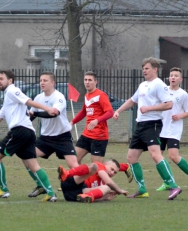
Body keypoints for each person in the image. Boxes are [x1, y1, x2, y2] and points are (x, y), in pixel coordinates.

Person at [0, 70, 58, 202]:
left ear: (10, 80)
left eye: (1, 78)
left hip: (19, 131)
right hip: (28, 132)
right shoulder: (8, 98)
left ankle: (3, 190)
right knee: (31, 164)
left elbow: (28, 101)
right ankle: (50, 193)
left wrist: (47, 109)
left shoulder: (12, 91)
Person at [113, 57, 182, 200]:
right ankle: (142, 189)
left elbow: (169, 104)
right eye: (143, 68)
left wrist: (149, 108)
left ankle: (173, 185)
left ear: (155, 69)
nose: (144, 70)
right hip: (140, 125)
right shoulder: (143, 85)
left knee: (155, 154)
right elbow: (132, 100)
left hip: (153, 124)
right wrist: (118, 111)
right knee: (131, 157)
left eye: (147, 68)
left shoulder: (158, 84)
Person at [70, 71, 133, 183]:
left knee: (97, 168)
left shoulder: (101, 95)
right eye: (85, 80)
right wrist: (72, 122)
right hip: (86, 135)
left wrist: (96, 120)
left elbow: (109, 112)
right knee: (74, 160)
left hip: (99, 136)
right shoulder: (87, 95)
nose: (87, 82)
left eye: (90, 80)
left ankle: (123, 168)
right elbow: (84, 112)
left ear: (96, 82)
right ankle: (77, 183)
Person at [27, 71, 79, 198]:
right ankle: (41, 186)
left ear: (52, 83)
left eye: (45, 80)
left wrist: (36, 114)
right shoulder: (38, 98)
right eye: (41, 80)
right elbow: (31, 116)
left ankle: (84, 187)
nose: (42, 83)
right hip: (45, 138)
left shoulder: (58, 97)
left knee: (73, 165)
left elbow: (53, 113)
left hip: (62, 137)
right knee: (27, 156)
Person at [157, 67, 188, 191]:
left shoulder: (183, 94)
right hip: (160, 128)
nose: (173, 77)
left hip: (173, 129)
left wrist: (180, 115)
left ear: (180, 79)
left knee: (174, 156)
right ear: (168, 78)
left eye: (176, 75)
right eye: (171, 75)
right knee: (158, 156)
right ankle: (167, 182)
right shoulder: (163, 91)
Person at [58, 159, 128, 203]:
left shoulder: (104, 185)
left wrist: (105, 198)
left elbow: (97, 197)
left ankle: (86, 196)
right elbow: (109, 182)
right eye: (112, 169)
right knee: (94, 167)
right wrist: (120, 191)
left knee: (107, 188)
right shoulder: (100, 166)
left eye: (115, 172)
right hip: (71, 182)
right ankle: (67, 174)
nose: (112, 173)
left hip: (74, 195)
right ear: (106, 164)